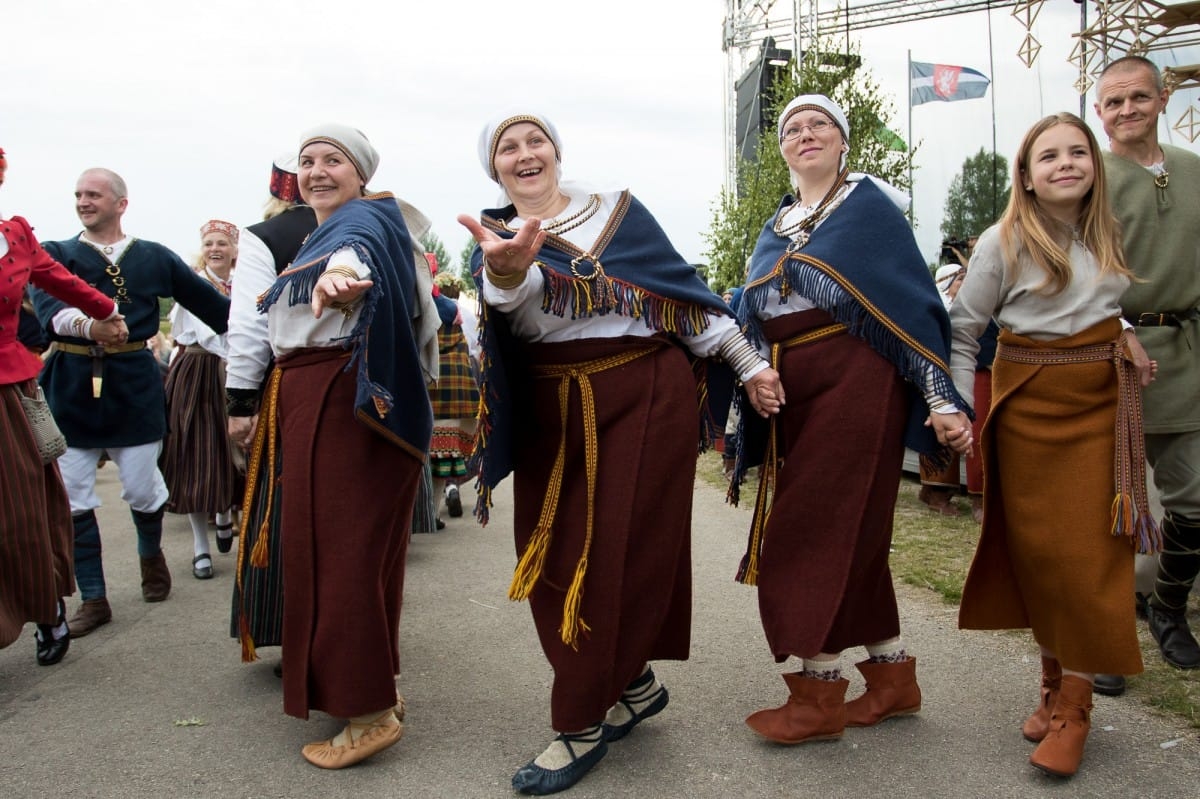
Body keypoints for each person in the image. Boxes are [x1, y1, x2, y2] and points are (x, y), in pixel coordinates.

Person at [458, 111, 780, 795]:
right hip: (555, 407)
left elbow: (687, 302)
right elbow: (512, 310)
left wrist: (750, 366)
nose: (524, 154)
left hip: (641, 394)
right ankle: (633, 684)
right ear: (495, 168)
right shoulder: (496, 238)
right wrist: (509, 272)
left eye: (534, 140)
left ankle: (578, 720)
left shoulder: (617, 212)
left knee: (610, 553)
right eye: (507, 148)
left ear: (555, 149)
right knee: (551, 553)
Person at [729, 94, 972, 748]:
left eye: (820, 125)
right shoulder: (779, 223)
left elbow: (911, 310)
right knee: (856, 534)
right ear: (782, 149)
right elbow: (749, 308)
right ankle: (893, 682)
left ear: (843, 143)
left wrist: (942, 401)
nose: (805, 134)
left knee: (810, 526)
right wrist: (754, 370)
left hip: (856, 377)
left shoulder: (868, 211)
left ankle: (817, 694)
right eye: (792, 128)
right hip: (790, 383)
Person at [950, 112, 1157, 778]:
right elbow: (963, 331)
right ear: (1028, 177)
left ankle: (1075, 707)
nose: (1066, 162)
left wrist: (1123, 329)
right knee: (1041, 557)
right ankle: (1048, 688)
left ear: (1093, 163)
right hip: (1027, 406)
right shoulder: (1000, 240)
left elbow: (1100, 301)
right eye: (1050, 156)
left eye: (1077, 151)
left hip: (1100, 407)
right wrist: (953, 408)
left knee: (1091, 559)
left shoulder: (1108, 230)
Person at [251, 124, 437, 769]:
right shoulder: (336, 226)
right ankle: (374, 689)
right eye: (307, 161)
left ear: (360, 173)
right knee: (355, 551)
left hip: (337, 393)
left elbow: (352, 259)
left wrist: (338, 278)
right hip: (321, 393)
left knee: (340, 554)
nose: (317, 170)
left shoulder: (360, 224)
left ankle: (368, 713)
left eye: (334, 160)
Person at [31, 168, 229, 636]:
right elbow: (48, 310)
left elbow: (216, 309)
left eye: (94, 195)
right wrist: (90, 326)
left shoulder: (154, 258)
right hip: (71, 386)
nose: (83, 201)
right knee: (75, 498)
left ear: (121, 203)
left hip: (134, 385)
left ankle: (150, 557)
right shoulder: (56, 255)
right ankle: (94, 598)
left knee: (143, 489)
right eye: (78, 194)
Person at [1095, 56, 1200, 684]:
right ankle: (1105, 631)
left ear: (1163, 98)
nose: (1127, 110)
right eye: (1113, 102)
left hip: (1188, 352)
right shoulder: (1087, 178)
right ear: (1099, 113)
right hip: (1114, 357)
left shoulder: (1193, 171)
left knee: (1194, 500)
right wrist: (1115, 329)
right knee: (1110, 505)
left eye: (1138, 97)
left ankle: (1165, 606)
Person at [0, 147, 127, 666]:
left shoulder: (15, 237)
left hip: (6, 392)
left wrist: (108, 311)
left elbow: (62, 282)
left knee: (18, 514)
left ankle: (47, 607)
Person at [226, 155, 318, 663]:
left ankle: (293, 634)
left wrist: (241, 401)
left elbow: (248, 325)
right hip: (361, 385)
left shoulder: (264, 235)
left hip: (289, 385)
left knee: (283, 504)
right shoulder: (371, 221)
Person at [161, 219, 239, 580]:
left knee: (235, 448)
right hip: (199, 371)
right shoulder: (194, 284)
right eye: (209, 243)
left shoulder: (244, 284)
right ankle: (200, 548)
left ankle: (225, 513)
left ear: (234, 249)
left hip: (236, 370)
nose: (215, 249)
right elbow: (210, 335)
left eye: (222, 243)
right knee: (196, 455)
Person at [428, 269, 480, 521]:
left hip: (428, 391)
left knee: (423, 458)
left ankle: (427, 515)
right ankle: (448, 491)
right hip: (457, 388)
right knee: (447, 456)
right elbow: (476, 346)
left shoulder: (422, 312)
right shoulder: (461, 315)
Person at [918, 261, 969, 516]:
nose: (964, 285)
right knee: (938, 432)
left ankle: (943, 491)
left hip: (959, 375)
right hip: (937, 379)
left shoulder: (967, 310)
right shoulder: (936, 309)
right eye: (960, 280)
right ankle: (935, 491)